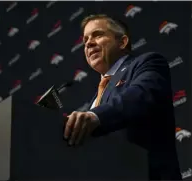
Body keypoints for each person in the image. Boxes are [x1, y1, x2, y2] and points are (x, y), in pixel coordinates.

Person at [64, 14, 182, 180]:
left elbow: (141, 95)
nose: (89, 43)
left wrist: (95, 116)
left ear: (122, 42)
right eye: (85, 40)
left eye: (97, 35)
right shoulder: (96, 97)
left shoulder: (147, 63)